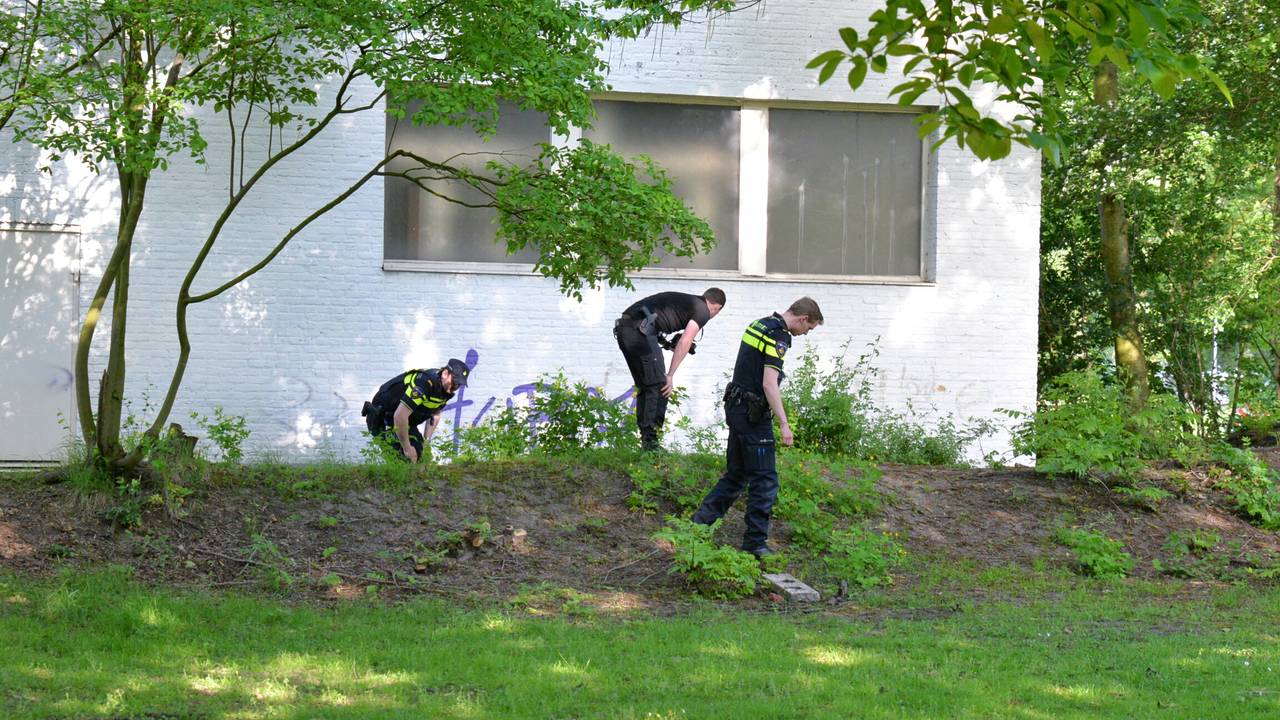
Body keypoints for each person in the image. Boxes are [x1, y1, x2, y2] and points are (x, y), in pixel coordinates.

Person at [691, 297, 824, 558]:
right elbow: (768, 383)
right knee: (765, 480)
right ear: (803, 318)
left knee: (737, 474)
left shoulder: (759, 325)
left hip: (736, 407)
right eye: (808, 328)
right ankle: (755, 544)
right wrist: (784, 423)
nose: (805, 333)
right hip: (753, 416)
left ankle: (698, 527)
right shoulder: (779, 335)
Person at [614, 287, 726, 450]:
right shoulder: (703, 310)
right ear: (718, 307)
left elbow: (652, 320)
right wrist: (670, 375)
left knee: (647, 386)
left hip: (625, 329)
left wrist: (667, 345)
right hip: (638, 332)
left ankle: (647, 442)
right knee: (661, 386)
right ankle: (651, 445)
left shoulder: (688, 302)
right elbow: (686, 340)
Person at [362, 358, 470, 462]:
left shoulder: (446, 389)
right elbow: (399, 416)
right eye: (455, 382)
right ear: (445, 373)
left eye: (459, 384)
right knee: (404, 459)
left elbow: (436, 414)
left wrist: (426, 442)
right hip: (383, 417)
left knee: (422, 457)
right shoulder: (424, 383)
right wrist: (407, 448)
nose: (456, 387)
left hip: (405, 420)